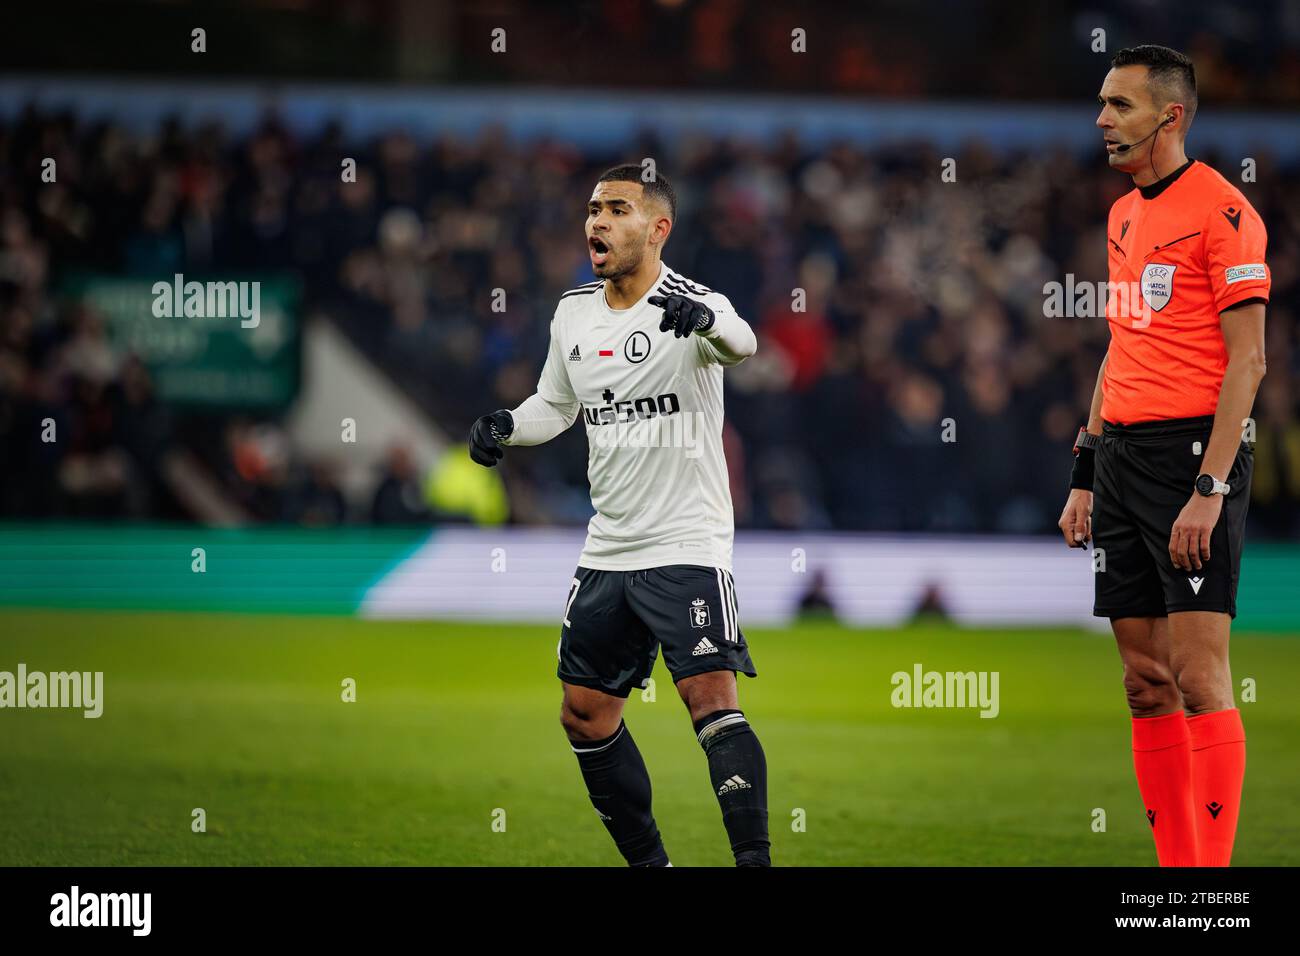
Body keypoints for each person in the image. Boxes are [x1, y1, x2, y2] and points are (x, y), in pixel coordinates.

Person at [469, 165, 768, 866]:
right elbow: (558, 404)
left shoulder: (690, 303)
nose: (596, 222)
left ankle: (755, 863)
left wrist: (706, 322)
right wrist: (507, 425)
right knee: (584, 712)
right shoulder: (573, 311)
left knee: (709, 699)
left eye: (616, 210)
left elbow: (741, 341)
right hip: (608, 548)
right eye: (593, 209)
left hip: (686, 541)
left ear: (657, 228)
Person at [1060, 45, 1270, 866]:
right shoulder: (1121, 214)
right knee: (1143, 683)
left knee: (1198, 676)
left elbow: (1248, 363)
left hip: (1192, 460)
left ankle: (1208, 890)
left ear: (1169, 116)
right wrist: (1085, 470)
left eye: (1119, 106)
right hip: (1119, 460)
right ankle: (1175, 880)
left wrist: (1209, 487)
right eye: (1102, 104)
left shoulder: (1223, 213)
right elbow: (1120, 348)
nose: (1102, 120)